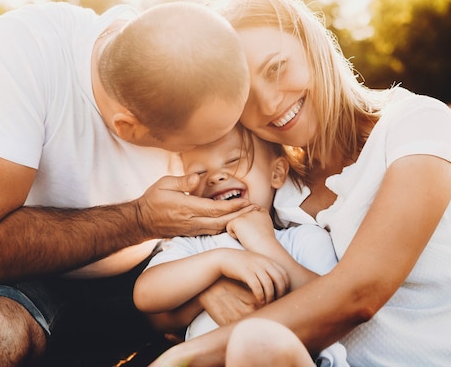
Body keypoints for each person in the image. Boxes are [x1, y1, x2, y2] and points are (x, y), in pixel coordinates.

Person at [149, 0, 451, 367]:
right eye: (244, 96)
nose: (269, 103)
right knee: (260, 347)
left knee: (258, 343)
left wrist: (185, 357)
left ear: (311, 42)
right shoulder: (275, 181)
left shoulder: (416, 124)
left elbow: (361, 294)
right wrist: (211, 286)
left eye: (276, 68)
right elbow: (162, 309)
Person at [0, 0, 254, 366]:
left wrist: (207, 273)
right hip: (9, 279)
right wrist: (140, 220)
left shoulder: (195, 69)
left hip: (147, 276)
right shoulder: (26, 48)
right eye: (193, 146)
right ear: (128, 128)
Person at [133, 123, 348, 366]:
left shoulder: (302, 238)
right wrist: (221, 261)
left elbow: (332, 304)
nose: (216, 176)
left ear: (276, 173)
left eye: (233, 160)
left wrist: (264, 243)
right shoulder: (195, 245)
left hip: (292, 358)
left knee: (257, 343)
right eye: (200, 172)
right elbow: (145, 294)